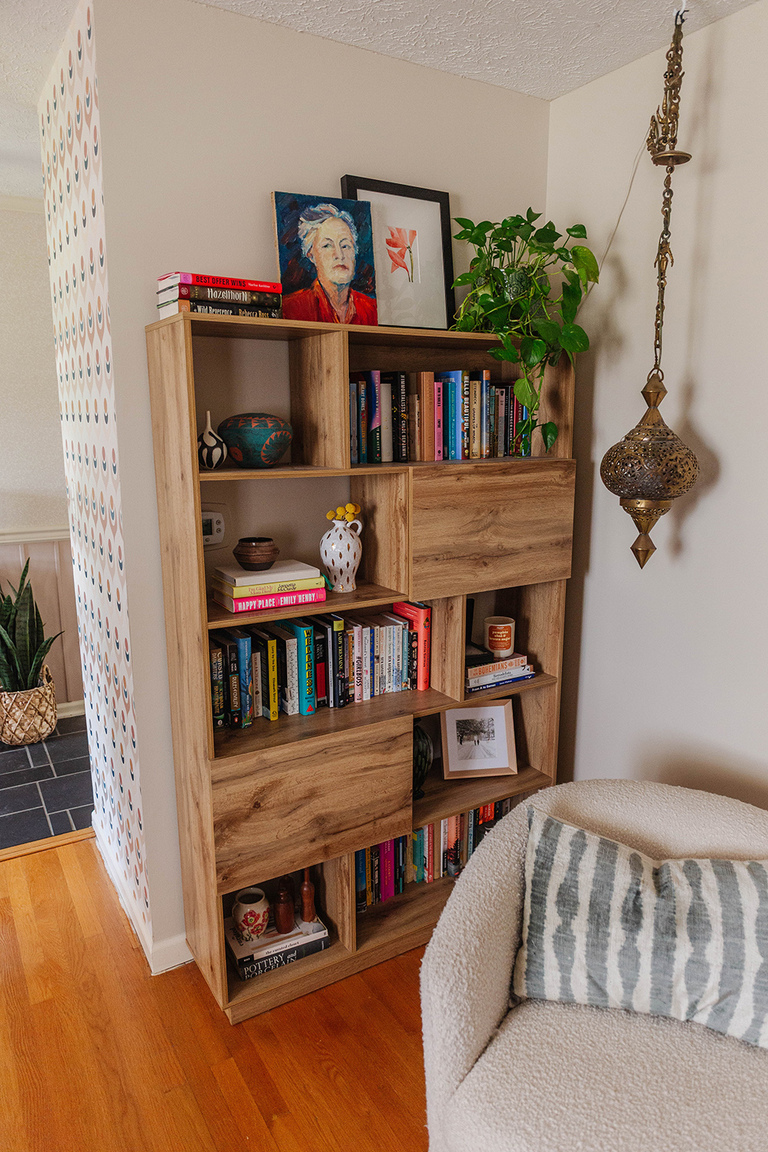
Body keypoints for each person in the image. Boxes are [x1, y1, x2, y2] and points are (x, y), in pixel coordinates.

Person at [282, 203, 378, 325]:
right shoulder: (290, 309)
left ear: (354, 252)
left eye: (345, 246)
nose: (339, 255)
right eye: (327, 245)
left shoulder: (372, 310)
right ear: (311, 254)